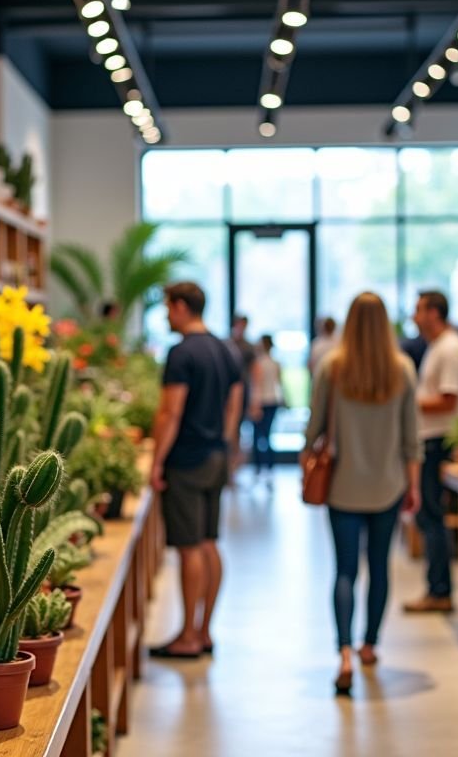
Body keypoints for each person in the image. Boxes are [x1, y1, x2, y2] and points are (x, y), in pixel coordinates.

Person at [304, 293, 420, 695]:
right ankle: (370, 644)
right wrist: (414, 486)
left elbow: (314, 426)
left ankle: (344, 653)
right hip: (388, 486)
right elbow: (411, 438)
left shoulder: (331, 368)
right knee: (380, 567)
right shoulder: (402, 369)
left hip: (342, 488)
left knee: (345, 571)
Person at [148, 282, 244, 659]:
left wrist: (157, 461)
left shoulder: (181, 353)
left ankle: (187, 635)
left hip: (186, 459)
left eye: (169, 307)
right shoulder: (225, 349)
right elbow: (233, 405)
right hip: (216, 455)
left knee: (189, 549)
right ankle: (204, 631)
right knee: (208, 543)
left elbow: (171, 412)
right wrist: (225, 444)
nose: (166, 315)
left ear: (182, 307)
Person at [402, 290, 458, 614]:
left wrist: (406, 403)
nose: (414, 316)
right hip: (431, 439)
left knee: (432, 516)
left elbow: (449, 399)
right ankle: (437, 587)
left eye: (419, 310)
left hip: (439, 441)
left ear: (434, 313)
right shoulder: (438, 348)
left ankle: (440, 590)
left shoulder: (450, 349)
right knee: (429, 516)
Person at [226, 315, 258, 479]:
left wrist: (254, 398)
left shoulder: (249, 347)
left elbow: (254, 372)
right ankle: (229, 465)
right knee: (231, 426)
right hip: (228, 391)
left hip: (243, 391)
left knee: (239, 427)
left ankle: (235, 465)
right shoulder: (227, 344)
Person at [250, 334, 283, 478]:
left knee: (258, 436)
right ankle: (268, 466)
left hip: (262, 401)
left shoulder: (259, 363)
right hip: (273, 400)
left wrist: (254, 405)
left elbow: (256, 386)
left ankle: (259, 467)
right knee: (267, 436)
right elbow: (279, 383)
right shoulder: (276, 363)